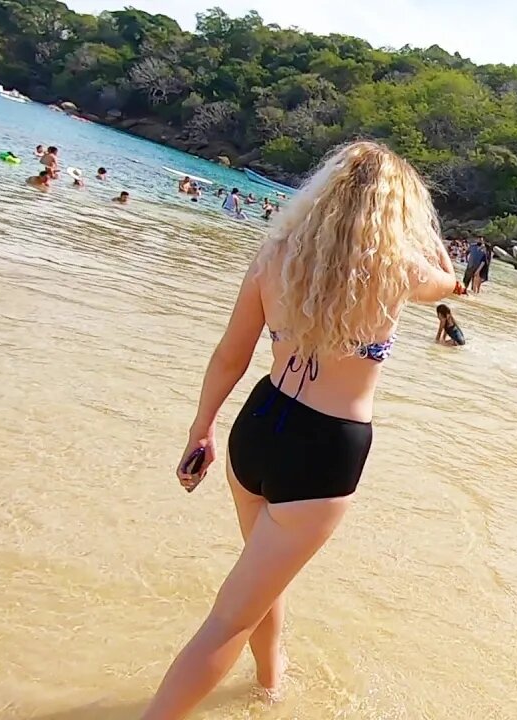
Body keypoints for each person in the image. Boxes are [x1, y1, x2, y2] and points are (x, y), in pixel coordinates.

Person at [142, 141, 456, 718]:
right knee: (229, 617)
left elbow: (230, 355)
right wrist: (428, 240)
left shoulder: (275, 254)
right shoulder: (398, 271)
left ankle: (269, 684)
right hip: (325, 451)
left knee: (260, 582)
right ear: (398, 213)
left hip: (258, 426)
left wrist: (201, 428)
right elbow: (449, 280)